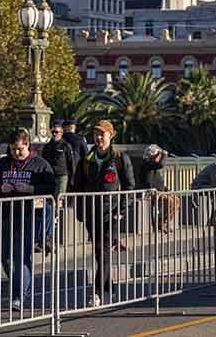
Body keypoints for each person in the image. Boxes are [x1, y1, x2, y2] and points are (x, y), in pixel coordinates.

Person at [0, 128, 56, 310]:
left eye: (20, 149)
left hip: (30, 217)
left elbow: (51, 188)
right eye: (13, 149)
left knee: (21, 257)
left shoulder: (40, 164)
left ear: (27, 145)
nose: (16, 153)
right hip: (6, 215)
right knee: (6, 259)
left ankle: (18, 297)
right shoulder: (2, 164)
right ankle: (23, 282)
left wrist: (30, 189)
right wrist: (1, 188)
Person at [73, 120, 136, 307]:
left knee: (105, 252)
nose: (99, 138)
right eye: (96, 134)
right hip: (92, 213)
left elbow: (130, 187)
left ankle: (98, 293)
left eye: (103, 134)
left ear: (111, 136)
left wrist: (121, 212)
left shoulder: (119, 158)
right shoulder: (87, 160)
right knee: (100, 253)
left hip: (112, 215)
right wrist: (80, 211)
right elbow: (78, 187)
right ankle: (111, 288)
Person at [38, 122, 77, 251]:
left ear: (61, 133)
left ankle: (55, 220)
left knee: (58, 199)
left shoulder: (66, 146)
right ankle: (49, 226)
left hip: (62, 176)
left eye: (57, 132)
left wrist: (72, 179)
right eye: (53, 132)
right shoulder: (48, 146)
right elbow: (42, 161)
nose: (54, 134)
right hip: (50, 176)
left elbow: (71, 163)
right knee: (49, 201)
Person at [141, 145, 179, 233]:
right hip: (149, 193)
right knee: (170, 201)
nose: (160, 157)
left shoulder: (154, 166)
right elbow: (161, 164)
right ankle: (160, 223)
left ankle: (164, 222)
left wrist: (166, 189)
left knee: (176, 200)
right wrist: (165, 155)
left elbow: (159, 181)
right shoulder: (146, 163)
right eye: (159, 156)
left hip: (159, 192)